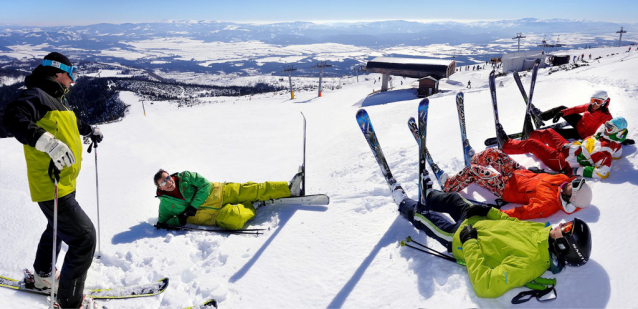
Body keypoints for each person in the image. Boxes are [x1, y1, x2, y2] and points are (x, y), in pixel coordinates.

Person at [391, 165, 591, 298]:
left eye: (564, 229)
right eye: (566, 224)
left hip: (462, 238)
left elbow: (485, 286)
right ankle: (429, 195)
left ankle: (403, 203)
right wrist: (489, 211)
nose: (560, 225)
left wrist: (469, 242)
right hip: (479, 220)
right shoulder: (543, 232)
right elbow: (510, 222)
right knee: (454, 200)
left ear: (564, 245)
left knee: (427, 218)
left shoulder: (529, 265)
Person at [2, 52, 104, 308]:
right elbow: (12, 117)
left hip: (63, 182)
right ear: (58, 73)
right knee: (84, 238)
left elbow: (69, 122)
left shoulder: (55, 99)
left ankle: (44, 277)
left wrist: (89, 129)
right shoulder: (36, 95)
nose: (72, 81)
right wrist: (45, 141)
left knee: (56, 227)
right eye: (71, 75)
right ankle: (70, 302)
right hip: (52, 185)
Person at [441, 148, 592, 219]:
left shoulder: (548, 205)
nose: (570, 184)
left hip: (506, 187)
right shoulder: (563, 181)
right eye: (575, 183)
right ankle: (474, 159)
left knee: (474, 172)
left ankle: (449, 185)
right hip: (519, 172)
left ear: (569, 198)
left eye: (573, 187)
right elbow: (565, 176)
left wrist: (493, 215)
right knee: (493, 153)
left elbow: (521, 213)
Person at [154, 169, 302, 229]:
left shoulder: (185, 177)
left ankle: (288, 189)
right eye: (163, 182)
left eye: (168, 177)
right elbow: (163, 222)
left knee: (252, 189)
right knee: (235, 218)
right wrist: (179, 220)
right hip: (213, 217)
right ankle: (252, 206)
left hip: (220, 192)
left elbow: (204, 185)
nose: (168, 182)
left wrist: (193, 206)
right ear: (159, 188)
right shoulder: (165, 205)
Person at [500, 117, 628, 179]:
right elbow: (618, 153)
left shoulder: (604, 152)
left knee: (532, 145)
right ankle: (529, 134)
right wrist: (619, 140)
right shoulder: (609, 140)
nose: (605, 128)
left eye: (610, 128)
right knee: (549, 132)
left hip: (562, 162)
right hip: (568, 147)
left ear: (616, 132)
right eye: (607, 124)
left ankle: (505, 145)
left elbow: (602, 173)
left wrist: (576, 171)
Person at [539, 90, 613, 140]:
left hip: (582, 134)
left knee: (554, 132)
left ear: (604, 102)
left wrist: (620, 139)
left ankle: (537, 135)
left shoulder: (605, 114)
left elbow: (613, 127)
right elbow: (575, 109)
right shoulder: (589, 106)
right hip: (579, 122)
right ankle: (540, 117)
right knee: (561, 109)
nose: (594, 104)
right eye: (593, 100)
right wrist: (561, 113)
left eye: (598, 102)